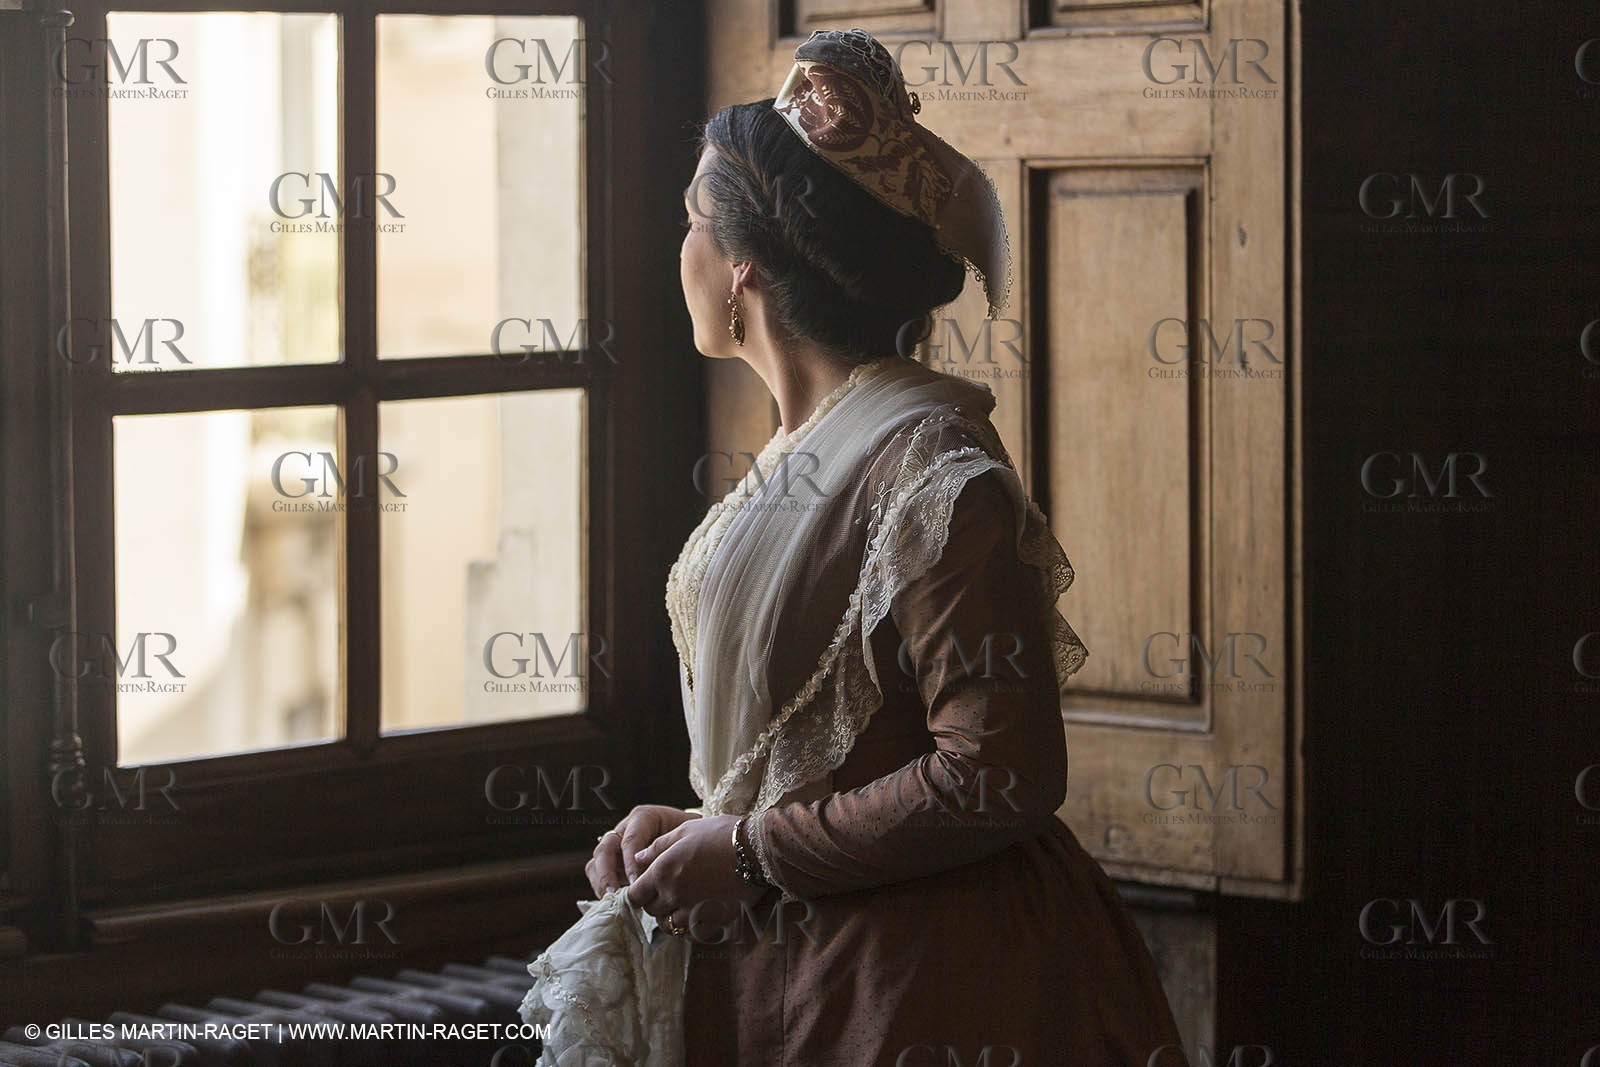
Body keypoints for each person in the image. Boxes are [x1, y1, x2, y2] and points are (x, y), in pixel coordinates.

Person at [527, 27, 1185, 1066]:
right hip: (781, 938)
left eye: (689, 220)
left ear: (741, 266)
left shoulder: (933, 467)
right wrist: (708, 818)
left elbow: (1001, 767)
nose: (679, 246)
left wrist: (744, 843)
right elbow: (804, 734)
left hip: (922, 978)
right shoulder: (800, 446)